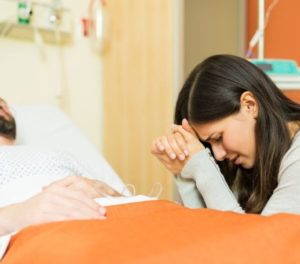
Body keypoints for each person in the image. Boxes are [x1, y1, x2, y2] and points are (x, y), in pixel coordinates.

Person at [151, 54, 300, 216]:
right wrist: (186, 173)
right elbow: (213, 232)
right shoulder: (252, 163)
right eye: (208, 144)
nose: (218, 155)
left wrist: (201, 167)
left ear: (249, 105)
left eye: (218, 138)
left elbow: (256, 240)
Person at [0, 97, 121, 237]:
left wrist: (111, 194)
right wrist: (16, 215)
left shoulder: (58, 154)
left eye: (4, 105)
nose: (2, 105)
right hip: (36, 238)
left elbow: (127, 202)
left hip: (105, 221)